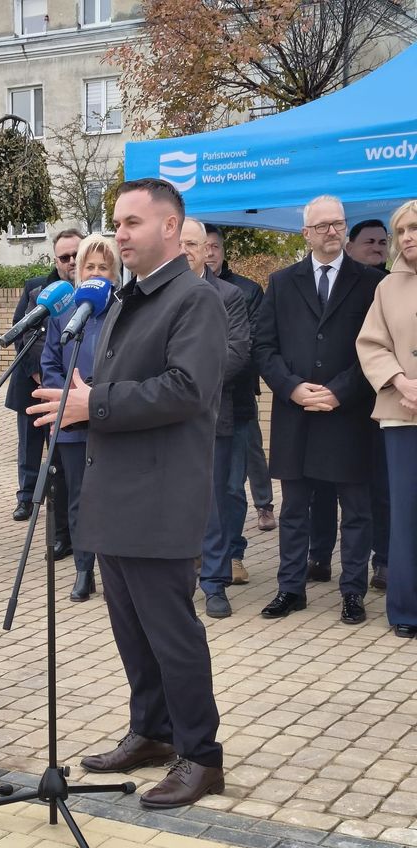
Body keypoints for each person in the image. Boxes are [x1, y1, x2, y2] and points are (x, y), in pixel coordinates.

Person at [29, 178, 228, 809]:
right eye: (117, 222)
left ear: (171, 227)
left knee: (171, 630)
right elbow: (117, 385)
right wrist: (86, 393)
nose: (120, 234)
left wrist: (96, 401)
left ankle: (201, 755)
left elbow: (187, 389)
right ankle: (153, 730)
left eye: (133, 222)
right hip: (115, 487)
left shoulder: (194, 300)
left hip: (161, 492)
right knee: (130, 628)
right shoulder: (122, 300)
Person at [254, 195, 383, 625]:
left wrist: (339, 391)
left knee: (356, 511)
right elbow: (264, 348)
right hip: (297, 415)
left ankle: (352, 593)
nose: (332, 231)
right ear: (306, 233)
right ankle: (290, 588)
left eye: (338, 223)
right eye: (322, 225)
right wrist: (291, 389)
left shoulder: (369, 283)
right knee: (293, 510)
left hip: (347, 414)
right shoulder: (282, 282)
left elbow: (376, 350)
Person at [308, 219, 391, 590]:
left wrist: (343, 388)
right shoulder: (308, 280)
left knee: (374, 492)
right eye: (370, 241)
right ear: (352, 245)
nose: (379, 247)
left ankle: (382, 561)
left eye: (383, 242)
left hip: (368, 405)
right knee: (321, 490)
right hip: (314, 403)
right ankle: (320, 556)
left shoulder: (383, 285)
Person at [41, 234, 121, 601]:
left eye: (104, 267)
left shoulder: (124, 310)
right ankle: (83, 570)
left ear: (115, 273)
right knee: (78, 499)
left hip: (112, 418)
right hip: (72, 421)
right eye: (90, 266)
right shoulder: (65, 313)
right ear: (78, 271)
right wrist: (70, 400)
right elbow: (50, 365)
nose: (97, 272)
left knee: (112, 497)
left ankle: (113, 572)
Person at [180, 219, 249, 618]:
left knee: (214, 504)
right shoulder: (158, 294)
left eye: (195, 244)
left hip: (213, 416)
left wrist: (185, 380)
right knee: (176, 502)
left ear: (208, 250)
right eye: (182, 243)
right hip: (167, 419)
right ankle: (181, 580)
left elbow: (237, 352)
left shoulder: (229, 296)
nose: (187, 250)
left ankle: (215, 583)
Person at [357, 200, 417, 638]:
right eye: (403, 230)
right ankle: (406, 609)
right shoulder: (387, 289)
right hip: (402, 415)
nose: (408, 237)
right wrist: (400, 380)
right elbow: (371, 344)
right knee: (406, 515)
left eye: (415, 228)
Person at [204, 224, 275, 592]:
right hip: (193, 410)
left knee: (232, 488)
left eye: (214, 246)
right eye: (205, 246)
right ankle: (203, 557)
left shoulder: (245, 292)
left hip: (237, 404)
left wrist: (198, 378)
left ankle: (233, 554)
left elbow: (246, 350)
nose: (209, 252)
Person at [3, 230, 80, 560]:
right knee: (30, 444)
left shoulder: (97, 288)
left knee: (62, 457)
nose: (72, 262)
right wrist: (40, 375)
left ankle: (68, 521)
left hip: (76, 390)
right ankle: (26, 495)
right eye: (65, 257)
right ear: (56, 260)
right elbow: (24, 334)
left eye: (77, 254)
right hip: (37, 382)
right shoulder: (38, 288)